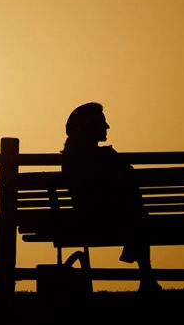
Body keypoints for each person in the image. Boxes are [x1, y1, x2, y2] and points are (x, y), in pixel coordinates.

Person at [60, 102, 161, 292]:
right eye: (102, 122)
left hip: (87, 221)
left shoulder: (71, 158)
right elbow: (128, 176)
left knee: (136, 216)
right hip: (102, 223)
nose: (107, 127)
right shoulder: (102, 158)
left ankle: (147, 278)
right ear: (89, 127)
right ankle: (147, 277)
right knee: (137, 217)